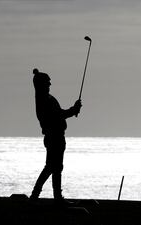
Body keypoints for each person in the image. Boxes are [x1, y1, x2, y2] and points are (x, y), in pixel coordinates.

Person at [30, 68, 82, 206]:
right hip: (54, 137)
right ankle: (48, 196)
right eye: (48, 82)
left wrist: (73, 110)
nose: (50, 85)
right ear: (41, 84)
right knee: (52, 167)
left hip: (56, 137)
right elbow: (59, 115)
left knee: (55, 167)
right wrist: (73, 110)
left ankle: (47, 196)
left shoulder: (47, 99)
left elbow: (59, 114)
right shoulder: (44, 100)